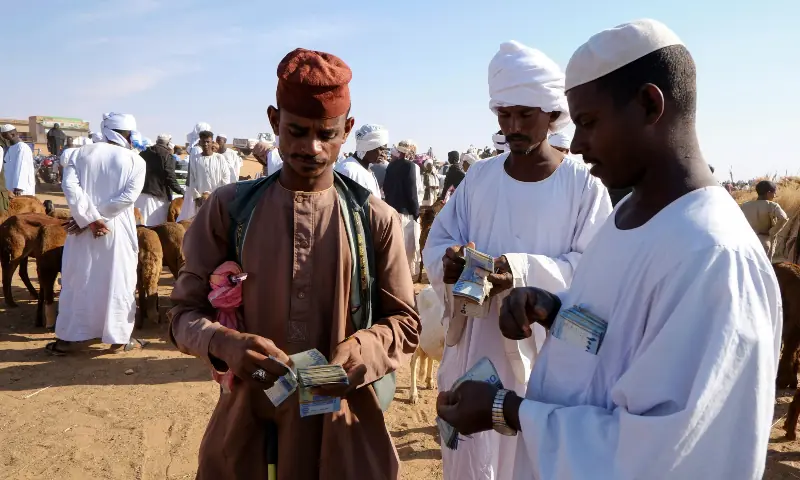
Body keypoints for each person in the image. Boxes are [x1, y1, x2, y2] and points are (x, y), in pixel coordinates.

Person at [436, 19, 781, 480]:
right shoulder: (626, 221)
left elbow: (665, 453)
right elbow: (622, 349)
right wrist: (557, 315)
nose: (576, 144)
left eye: (589, 122)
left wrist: (508, 409)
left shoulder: (714, 257)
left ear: (648, 105)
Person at [169, 47, 419, 479]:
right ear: (273, 121)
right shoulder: (230, 210)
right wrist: (225, 343)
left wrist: (361, 352)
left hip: (343, 426)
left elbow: (405, 324)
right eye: (297, 131)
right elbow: (181, 315)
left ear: (348, 130)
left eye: (327, 134)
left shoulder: (374, 219)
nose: (312, 148)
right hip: (250, 424)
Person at [424, 40, 612, 480]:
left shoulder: (584, 187)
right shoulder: (480, 177)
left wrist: (520, 272)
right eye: (503, 115)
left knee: (530, 461)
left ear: (551, 113)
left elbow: (596, 270)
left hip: (544, 355)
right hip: (475, 348)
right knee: (473, 460)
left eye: (525, 115)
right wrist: (448, 262)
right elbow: (440, 241)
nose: (513, 126)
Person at [47, 112, 147, 350]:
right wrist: (98, 218)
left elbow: (70, 188)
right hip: (117, 229)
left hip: (81, 228)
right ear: (126, 134)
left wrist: (87, 218)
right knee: (118, 280)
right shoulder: (136, 161)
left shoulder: (78, 155)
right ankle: (120, 338)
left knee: (79, 278)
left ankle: (71, 338)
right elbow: (127, 198)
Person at [384, 139, 423, 277]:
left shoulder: (390, 166)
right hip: (407, 215)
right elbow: (412, 192)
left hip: (392, 213)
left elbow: (386, 189)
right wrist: (416, 213)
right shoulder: (410, 166)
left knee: (395, 249)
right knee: (408, 252)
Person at [176, 130, 231, 221]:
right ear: (200, 142)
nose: (205, 144)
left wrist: (217, 196)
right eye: (203, 142)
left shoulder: (219, 158)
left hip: (217, 200)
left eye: (207, 142)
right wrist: (197, 197)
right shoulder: (195, 159)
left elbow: (226, 178)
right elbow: (192, 179)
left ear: (212, 142)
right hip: (201, 201)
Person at [136, 134, 184, 226]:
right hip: (158, 196)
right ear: (169, 143)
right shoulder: (167, 156)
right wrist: (181, 191)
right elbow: (170, 177)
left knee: (141, 224)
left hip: (141, 194)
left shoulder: (143, 153)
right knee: (157, 226)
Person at [741, 180, 788, 260]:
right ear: (769, 193)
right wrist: (772, 231)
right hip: (764, 242)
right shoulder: (772, 205)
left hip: (747, 242)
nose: (775, 195)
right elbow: (783, 218)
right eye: (774, 193)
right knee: (765, 268)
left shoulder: (745, 206)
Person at [334, 124, 386, 197]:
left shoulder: (365, 169)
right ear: (368, 146)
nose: (383, 154)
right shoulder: (347, 170)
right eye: (381, 149)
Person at [0, 125, 36, 196]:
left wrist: (19, 187)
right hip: (10, 187)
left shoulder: (22, 147)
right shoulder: (9, 148)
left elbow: (22, 167)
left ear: (12, 134)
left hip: (20, 190)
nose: (3, 139)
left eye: (4, 136)